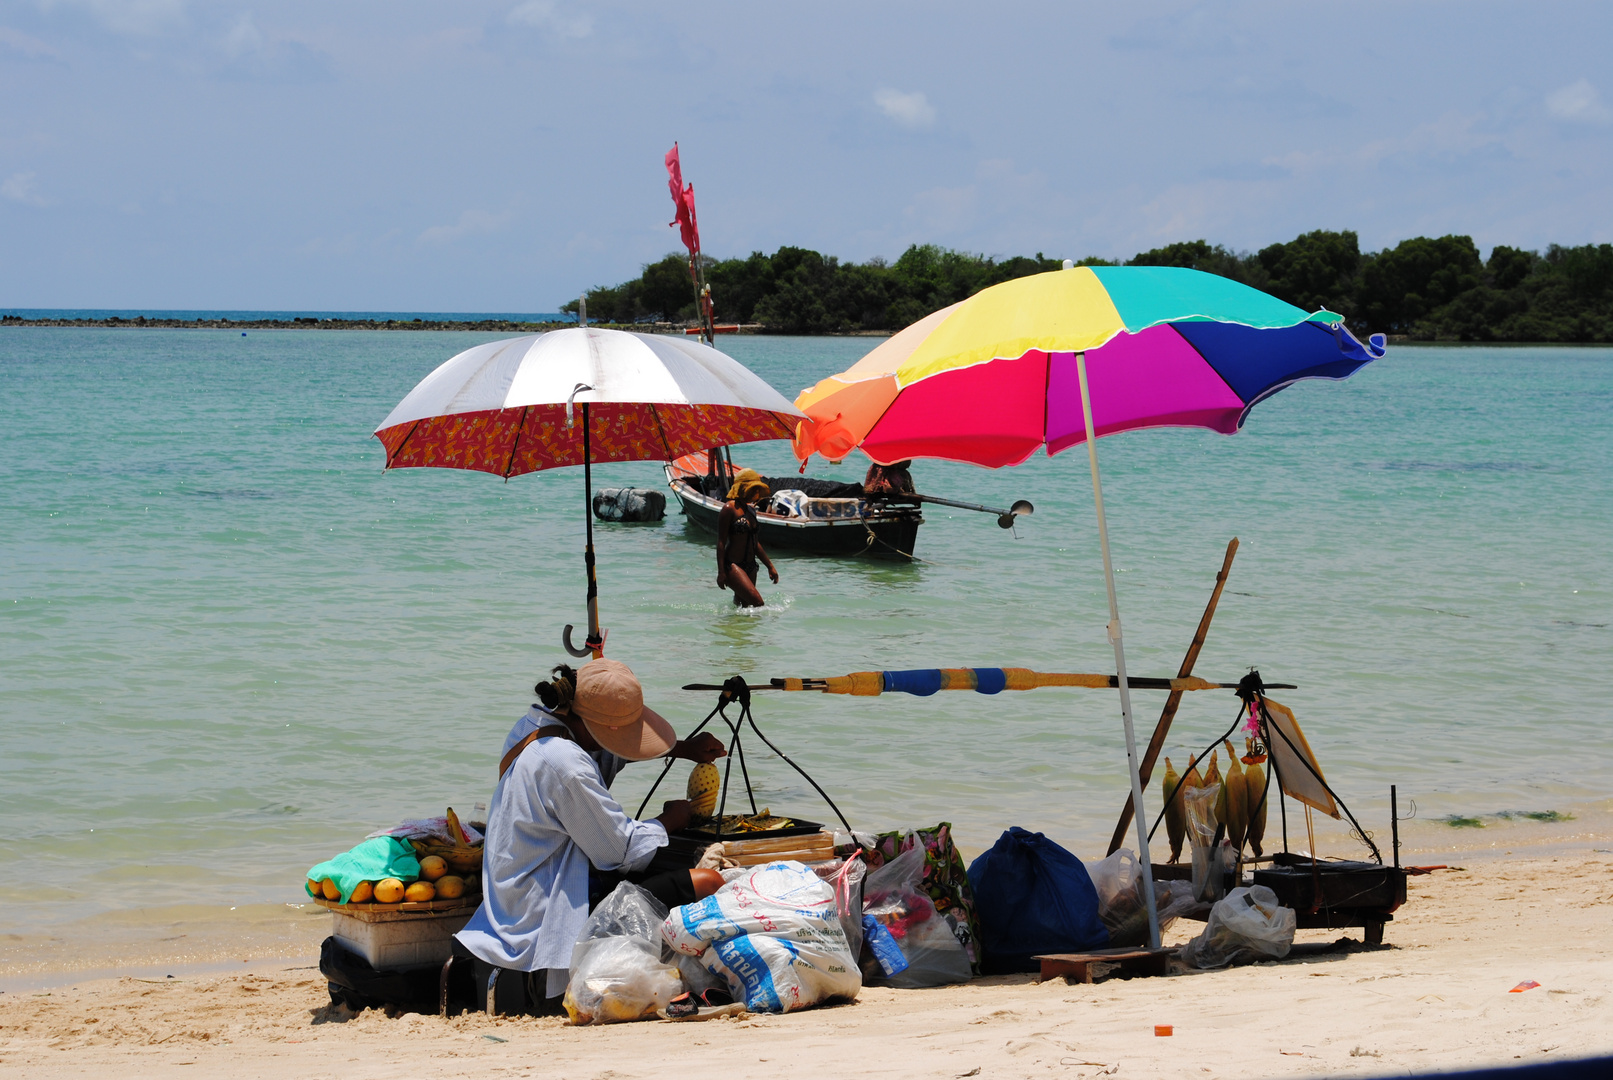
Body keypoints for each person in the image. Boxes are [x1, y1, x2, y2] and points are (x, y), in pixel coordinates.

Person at [454, 659, 728, 1015]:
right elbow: (620, 851)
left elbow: (606, 751)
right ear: (598, 726)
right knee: (707, 882)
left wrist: (681, 748)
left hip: (515, 895)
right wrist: (671, 819)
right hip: (546, 907)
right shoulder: (565, 764)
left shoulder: (532, 729)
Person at [715, 468, 779, 607]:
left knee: (743, 606)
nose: (756, 493)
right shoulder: (729, 508)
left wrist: (770, 566)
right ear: (743, 488)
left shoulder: (751, 510)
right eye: (753, 489)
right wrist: (721, 572)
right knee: (758, 603)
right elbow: (721, 542)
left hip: (751, 566)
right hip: (733, 565)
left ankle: (731, 627)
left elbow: (755, 543)